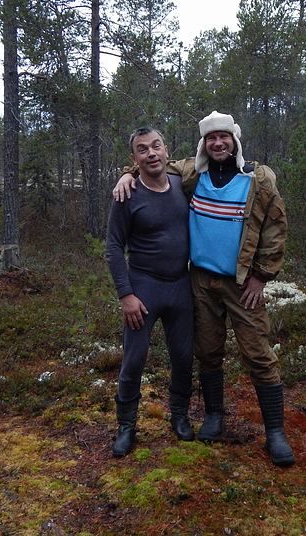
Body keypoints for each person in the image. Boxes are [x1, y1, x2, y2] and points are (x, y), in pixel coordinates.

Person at [114, 111, 294, 466]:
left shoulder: (257, 178)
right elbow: (154, 163)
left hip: (242, 283)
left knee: (258, 354)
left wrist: (261, 276)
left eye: (224, 137)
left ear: (234, 139)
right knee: (208, 351)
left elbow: (276, 228)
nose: (218, 143)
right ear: (204, 143)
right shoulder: (193, 173)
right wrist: (126, 173)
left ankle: (275, 433)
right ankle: (214, 416)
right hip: (200, 282)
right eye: (211, 138)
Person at [105, 127, 195, 457]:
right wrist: (126, 295)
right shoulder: (126, 195)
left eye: (156, 146)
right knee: (134, 358)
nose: (151, 153)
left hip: (181, 286)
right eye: (143, 149)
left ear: (166, 149)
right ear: (135, 158)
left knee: (183, 357)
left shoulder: (181, 184)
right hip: (143, 288)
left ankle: (180, 415)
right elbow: (113, 247)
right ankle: (126, 426)